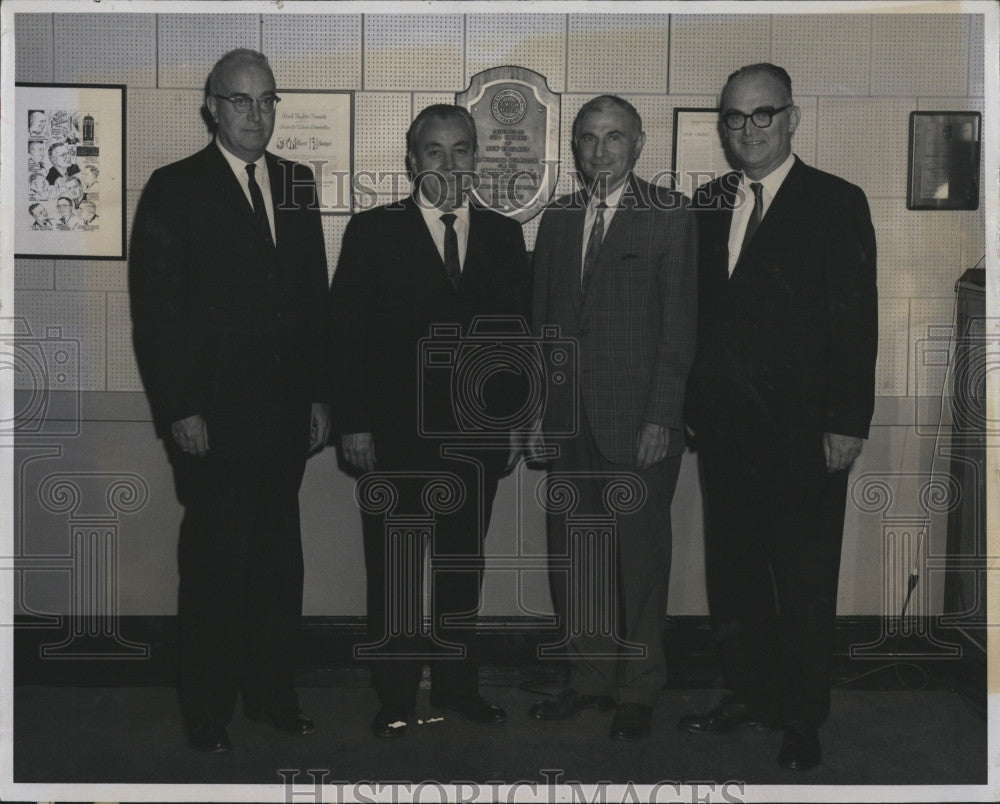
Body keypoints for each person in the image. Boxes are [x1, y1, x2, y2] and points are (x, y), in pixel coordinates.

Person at [129, 48, 330, 754]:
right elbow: (156, 313)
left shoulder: (299, 184)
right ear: (211, 107)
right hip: (210, 424)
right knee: (217, 568)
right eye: (240, 101)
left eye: (267, 99)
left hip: (283, 422)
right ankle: (206, 711)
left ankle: (273, 695)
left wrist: (319, 397)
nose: (256, 114)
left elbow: (313, 307)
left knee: (279, 565)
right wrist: (180, 407)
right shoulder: (174, 188)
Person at [680, 63, 877, 770]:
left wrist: (848, 422)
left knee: (802, 578)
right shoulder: (706, 203)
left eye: (762, 114)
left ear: (792, 117)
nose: (748, 130)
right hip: (726, 432)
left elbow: (856, 323)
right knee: (733, 575)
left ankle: (802, 715)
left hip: (806, 435)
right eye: (734, 118)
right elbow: (699, 320)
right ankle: (749, 695)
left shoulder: (836, 201)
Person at [329, 104, 530, 739]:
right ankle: (394, 694)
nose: (448, 164)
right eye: (434, 151)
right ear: (412, 161)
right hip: (393, 438)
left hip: (475, 440)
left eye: (461, 149)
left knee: (461, 566)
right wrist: (353, 424)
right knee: (395, 566)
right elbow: (347, 339)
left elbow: (517, 341)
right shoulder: (372, 231)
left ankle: (457, 686)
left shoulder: (503, 235)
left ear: (477, 158)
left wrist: (517, 423)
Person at [527, 95, 698, 740]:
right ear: (575, 147)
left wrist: (663, 416)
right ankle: (588, 678)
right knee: (575, 556)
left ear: (640, 143)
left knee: (639, 561)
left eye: (614, 138)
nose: (600, 151)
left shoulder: (670, 216)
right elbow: (545, 325)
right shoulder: (558, 219)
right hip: (570, 423)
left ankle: (639, 689)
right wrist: (543, 411)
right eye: (588, 139)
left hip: (640, 425)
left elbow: (680, 328)